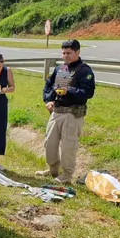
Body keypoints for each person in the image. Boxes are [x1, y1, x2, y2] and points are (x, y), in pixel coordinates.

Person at [36, 39, 95, 183]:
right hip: (56, 112)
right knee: (49, 143)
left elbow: (88, 92)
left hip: (72, 114)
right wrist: (47, 100)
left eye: (68, 53)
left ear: (77, 52)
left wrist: (69, 91)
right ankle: (53, 169)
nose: (65, 56)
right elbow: (48, 85)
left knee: (69, 146)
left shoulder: (84, 70)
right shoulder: (59, 68)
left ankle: (67, 175)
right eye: (63, 53)